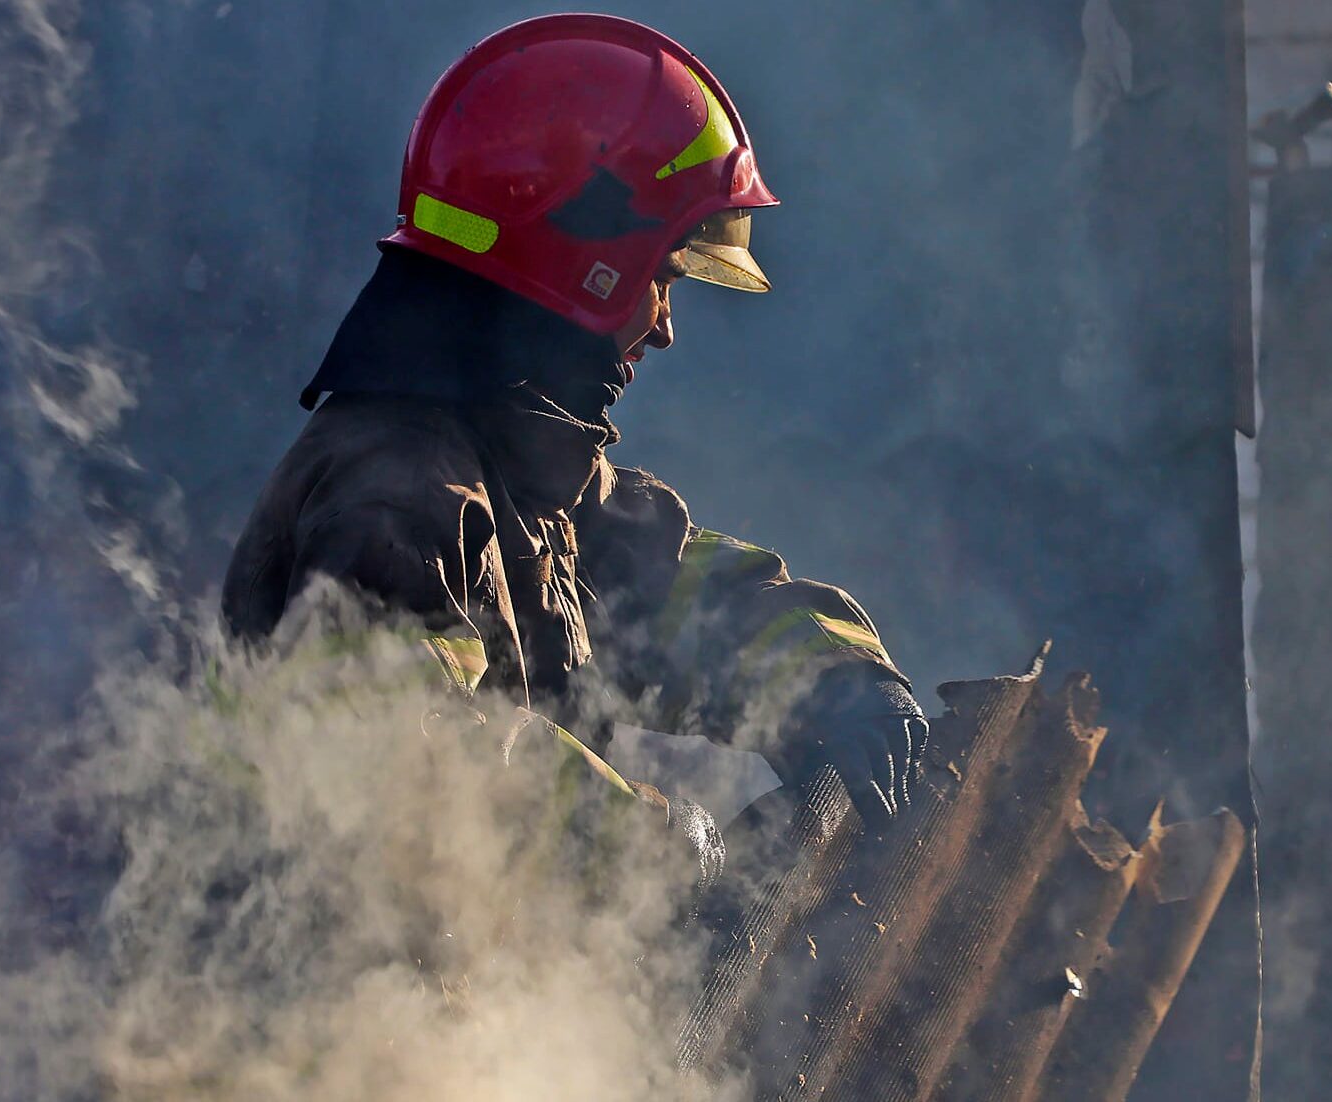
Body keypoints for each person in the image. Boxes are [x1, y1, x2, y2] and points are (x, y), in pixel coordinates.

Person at [222, 13, 925, 829]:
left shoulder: (515, 471)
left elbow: (668, 587)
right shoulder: (397, 497)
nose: (663, 327)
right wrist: (647, 842)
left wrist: (838, 678)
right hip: (311, 956)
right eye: (662, 277)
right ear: (584, 269)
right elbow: (405, 754)